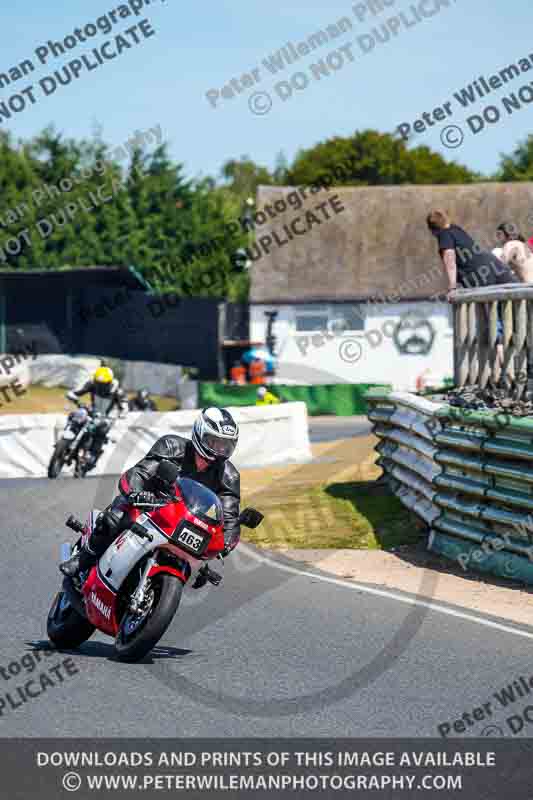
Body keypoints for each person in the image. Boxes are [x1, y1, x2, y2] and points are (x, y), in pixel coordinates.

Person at [59, 407, 241, 586]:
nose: (219, 450)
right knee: (114, 518)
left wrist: (226, 542)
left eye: (225, 446)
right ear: (200, 434)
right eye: (215, 442)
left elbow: (229, 515)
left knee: (199, 573)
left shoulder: (228, 476)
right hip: (148, 506)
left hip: (184, 523)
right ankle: (83, 560)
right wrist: (136, 493)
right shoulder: (171, 446)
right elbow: (139, 473)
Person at [426, 210, 517, 299]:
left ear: (432, 229)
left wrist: (452, 287)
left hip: (480, 273)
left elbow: (450, 262)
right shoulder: (455, 229)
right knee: (515, 297)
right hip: (494, 264)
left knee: (486, 310)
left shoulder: (444, 235)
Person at [66, 366, 128, 468]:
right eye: (98, 383)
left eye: (103, 384)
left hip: (106, 417)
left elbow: (124, 405)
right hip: (93, 411)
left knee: (101, 430)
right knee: (74, 415)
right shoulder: (92, 384)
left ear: (110, 382)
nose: (100, 386)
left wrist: (123, 412)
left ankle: (93, 454)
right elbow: (77, 391)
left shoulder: (117, 391)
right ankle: (66, 440)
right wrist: (72, 395)